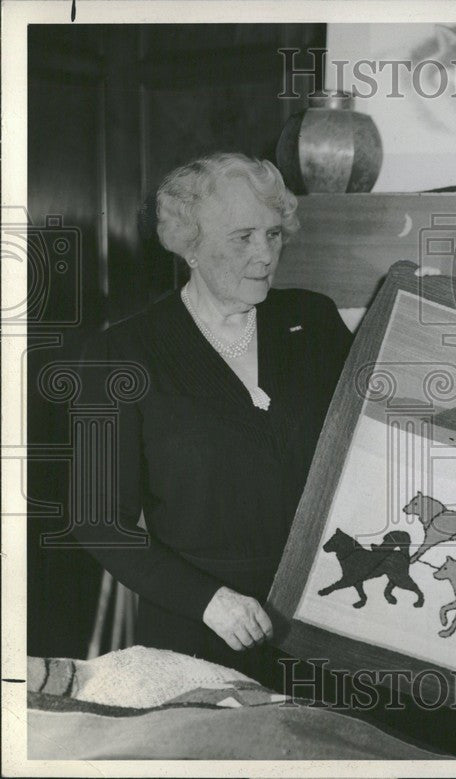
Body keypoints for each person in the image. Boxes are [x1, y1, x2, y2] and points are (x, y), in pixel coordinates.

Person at [75, 153, 354, 683]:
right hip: (202, 636)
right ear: (190, 245)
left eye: (273, 234)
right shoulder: (120, 355)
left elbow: (380, 430)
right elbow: (97, 519)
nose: (265, 255)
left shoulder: (312, 321)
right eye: (242, 237)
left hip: (327, 623)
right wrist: (209, 601)